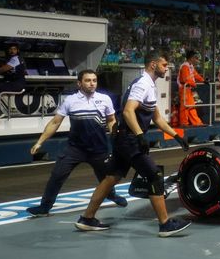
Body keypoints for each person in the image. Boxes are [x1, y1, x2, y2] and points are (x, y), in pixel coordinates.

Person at [75, 53, 192, 237]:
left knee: (111, 177)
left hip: (125, 138)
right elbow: (128, 111)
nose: (167, 67)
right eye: (164, 64)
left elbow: (157, 118)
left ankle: (87, 218)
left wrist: (176, 135)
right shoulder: (142, 84)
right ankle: (165, 224)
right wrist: (139, 136)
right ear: (153, 65)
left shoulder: (149, 85)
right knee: (154, 175)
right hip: (129, 139)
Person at [26, 70, 128, 216]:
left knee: (106, 179)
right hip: (75, 149)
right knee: (56, 176)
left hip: (99, 149)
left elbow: (111, 120)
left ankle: (112, 196)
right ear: (79, 83)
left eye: (94, 80)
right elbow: (55, 122)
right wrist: (40, 142)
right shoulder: (70, 100)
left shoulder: (105, 99)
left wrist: (116, 136)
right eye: (88, 80)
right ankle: (44, 207)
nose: (92, 83)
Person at [0, 44, 26, 121]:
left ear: (17, 51)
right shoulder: (11, 59)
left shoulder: (15, 59)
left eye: (14, 49)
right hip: (14, 83)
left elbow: (2, 69)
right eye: (10, 49)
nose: (12, 51)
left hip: (16, 84)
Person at [177, 50, 205, 126]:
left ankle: (197, 123)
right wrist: (193, 83)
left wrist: (203, 80)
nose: (197, 60)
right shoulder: (185, 66)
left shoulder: (190, 66)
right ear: (191, 58)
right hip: (183, 89)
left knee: (191, 106)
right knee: (185, 106)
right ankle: (184, 123)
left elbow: (195, 75)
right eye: (196, 58)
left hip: (188, 89)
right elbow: (184, 79)